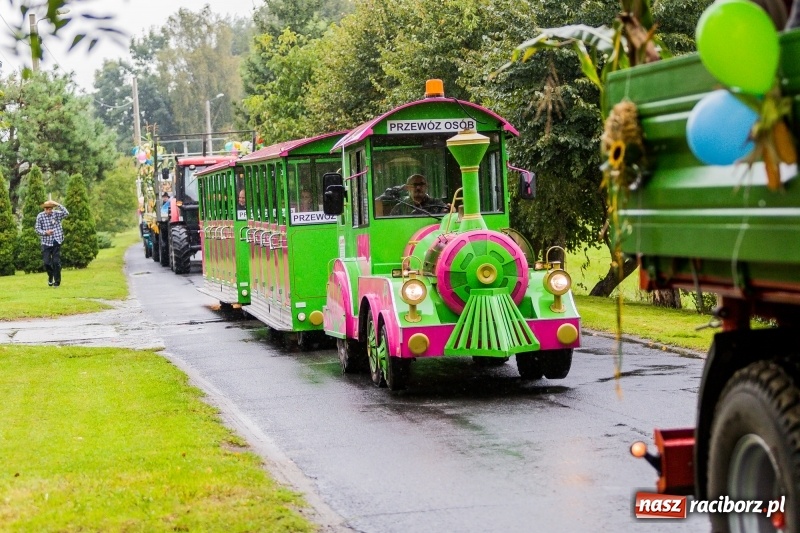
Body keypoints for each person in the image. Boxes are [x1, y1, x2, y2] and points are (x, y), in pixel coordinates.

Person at [35, 199, 69, 287]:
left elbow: (66, 213)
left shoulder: (56, 214)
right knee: (46, 263)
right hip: (46, 242)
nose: (49, 210)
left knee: (56, 262)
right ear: (44, 209)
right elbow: (37, 229)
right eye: (47, 209)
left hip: (56, 240)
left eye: (50, 209)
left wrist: (57, 204)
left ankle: (57, 282)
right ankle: (50, 276)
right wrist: (45, 232)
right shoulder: (40, 216)